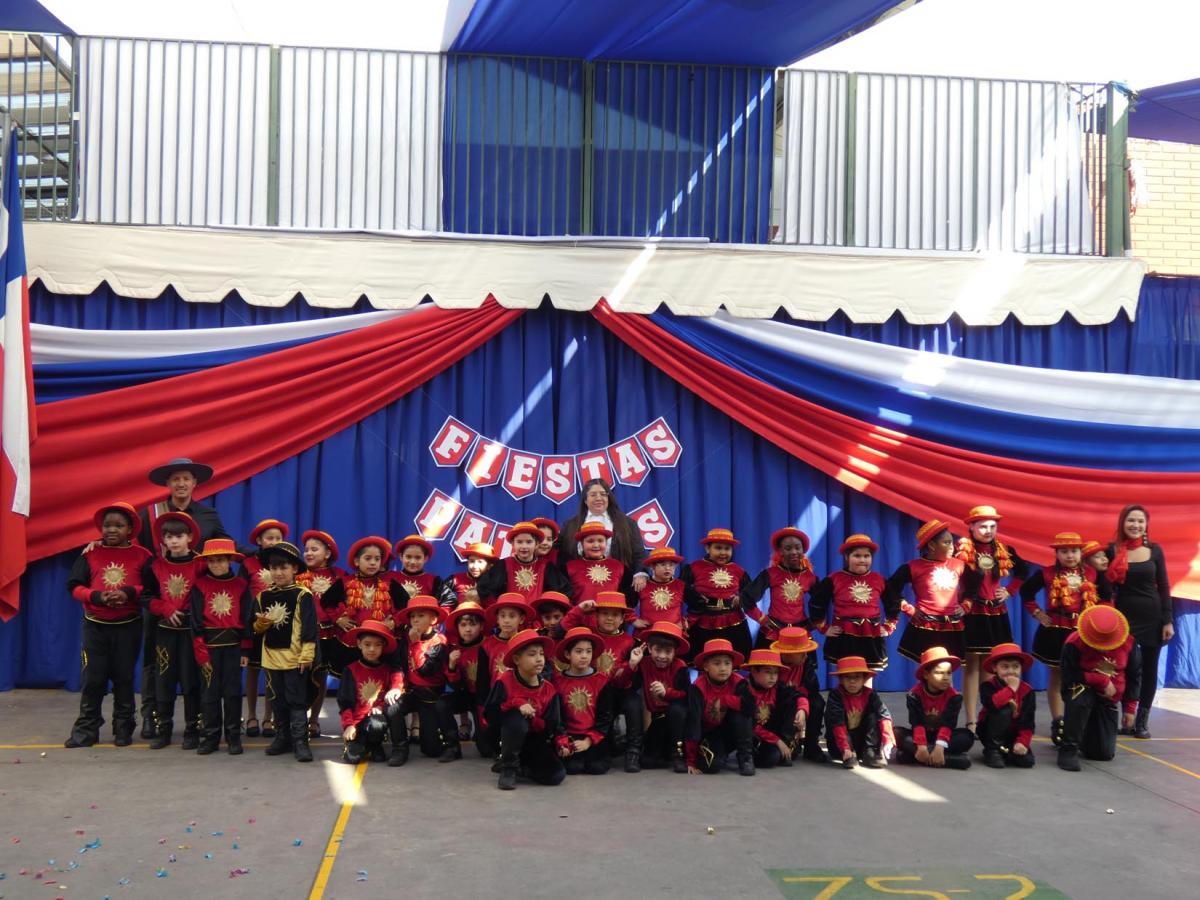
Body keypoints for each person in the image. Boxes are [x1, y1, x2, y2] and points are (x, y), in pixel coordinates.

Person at [137, 458, 230, 739]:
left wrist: (259, 551)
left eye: (186, 478)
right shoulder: (149, 514)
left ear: (194, 482)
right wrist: (97, 544)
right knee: (154, 662)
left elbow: (225, 547)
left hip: (194, 606)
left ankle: (197, 720)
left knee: (194, 664)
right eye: (175, 479)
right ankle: (151, 717)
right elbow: (135, 550)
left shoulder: (208, 515)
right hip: (160, 601)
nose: (181, 483)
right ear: (167, 483)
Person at [64, 503, 153, 748]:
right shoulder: (90, 554)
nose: (112, 530)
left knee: (124, 678)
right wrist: (96, 596)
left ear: (130, 529)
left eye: (118, 525)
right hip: (95, 627)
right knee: (93, 679)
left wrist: (128, 593)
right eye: (107, 525)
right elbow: (74, 586)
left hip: (128, 627)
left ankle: (123, 728)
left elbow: (152, 588)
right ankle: (86, 730)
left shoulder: (143, 556)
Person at [1019, 532, 1107, 743]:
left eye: (1074, 551)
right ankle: (1058, 721)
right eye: (1064, 551)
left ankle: (1079, 721)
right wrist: (1037, 613)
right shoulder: (1047, 573)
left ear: (1081, 553)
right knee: (1057, 677)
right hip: (1056, 632)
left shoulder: (1092, 574)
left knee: (1083, 676)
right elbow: (1026, 592)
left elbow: (1106, 598)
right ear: (1056, 554)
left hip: (1083, 633)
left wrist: (1100, 622)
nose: (1070, 555)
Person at [956, 505, 1029, 734]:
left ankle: (986, 717)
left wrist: (1009, 591)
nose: (988, 531)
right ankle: (970, 720)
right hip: (972, 613)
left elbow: (1023, 571)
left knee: (990, 666)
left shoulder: (1004, 549)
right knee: (971, 667)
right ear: (971, 527)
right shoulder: (961, 549)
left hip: (996, 614)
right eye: (983, 526)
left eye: (992, 526)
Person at [1105, 504, 1173, 739]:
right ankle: (1126, 718)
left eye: (1140, 521)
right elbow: (1103, 583)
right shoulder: (1112, 551)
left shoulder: (1155, 550)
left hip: (1153, 617)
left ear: (1146, 525)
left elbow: (1164, 586)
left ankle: (1142, 722)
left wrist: (1168, 620)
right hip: (1122, 619)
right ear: (1122, 523)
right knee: (1124, 668)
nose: (1135, 525)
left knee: (1149, 669)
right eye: (1131, 520)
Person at [560, 591, 646, 772]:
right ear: (596, 616)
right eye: (605, 613)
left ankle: (633, 752)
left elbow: (623, 682)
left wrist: (631, 665)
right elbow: (563, 629)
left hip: (616, 690)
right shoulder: (588, 636)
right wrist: (578, 609)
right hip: (591, 690)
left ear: (622, 619)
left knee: (633, 702)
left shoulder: (629, 642)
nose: (609, 618)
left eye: (615, 614)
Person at [251, 541, 318, 763]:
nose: (278, 573)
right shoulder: (262, 596)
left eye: (283, 567)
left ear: (295, 568)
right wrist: (260, 625)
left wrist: (307, 654)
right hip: (271, 658)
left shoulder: (302, 595)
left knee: (296, 700)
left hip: (294, 659)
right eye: (274, 568)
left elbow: (309, 627)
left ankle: (301, 742)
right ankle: (283, 738)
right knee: (277, 700)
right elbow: (254, 628)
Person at [142, 511, 203, 750]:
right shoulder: (156, 566)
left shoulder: (200, 565)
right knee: (164, 680)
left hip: (190, 633)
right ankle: (164, 729)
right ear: (163, 540)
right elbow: (146, 596)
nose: (174, 541)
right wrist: (165, 609)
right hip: (165, 633)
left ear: (190, 537)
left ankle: (192, 730)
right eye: (169, 537)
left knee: (191, 681)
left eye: (179, 536)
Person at [1058, 606, 1142, 771]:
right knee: (1080, 697)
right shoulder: (1074, 642)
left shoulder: (1130, 643)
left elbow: (1134, 676)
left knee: (1103, 753)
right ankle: (1068, 748)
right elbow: (1068, 676)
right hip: (1081, 691)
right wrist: (1100, 680)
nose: (1103, 649)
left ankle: (1078, 733)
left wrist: (1130, 709)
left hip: (1108, 700)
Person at [484, 629, 568, 790]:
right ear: (517, 659)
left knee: (556, 775)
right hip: (505, 735)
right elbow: (491, 715)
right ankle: (508, 767)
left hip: (531, 739)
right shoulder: (505, 681)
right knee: (517, 719)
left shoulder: (548, 690)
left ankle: (522, 768)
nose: (539, 659)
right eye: (532, 654)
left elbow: (552, 724)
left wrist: (561, 741)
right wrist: (516, 704)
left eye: (541, 654)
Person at [190, 538, 251, 755]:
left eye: (221, 560)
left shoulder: (241, 586)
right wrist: (201, 653)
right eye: (212, 561)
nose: (216, 565)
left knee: (233, 693)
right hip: (209, 648)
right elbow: (196, 622)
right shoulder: (199, 586)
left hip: (233, 649)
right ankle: (211, 737)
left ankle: (233, 736)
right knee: (210, 694)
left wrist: (245, 650)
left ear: (230, 561)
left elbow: (247, 619)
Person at [385, 595, 459, 763]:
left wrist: (416, 644)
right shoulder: (406, 639)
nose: (415, 620)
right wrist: (396, 687)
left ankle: (442, 741)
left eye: (420, 615)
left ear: (433, 619)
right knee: (392, 708)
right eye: (412, 616)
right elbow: (398, 665)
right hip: (411, 692)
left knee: (430, 750)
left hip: (430, 697)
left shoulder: (439, 642)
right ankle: (400, 749)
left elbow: (426, 671)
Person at [808, 534, 896, 674]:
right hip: (844, 637)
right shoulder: (834, 579)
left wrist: (888, 626)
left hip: (871, 635)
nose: (862, 560)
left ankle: (866, 689)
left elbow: (893, 604)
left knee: (867, 674)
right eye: (857, 556)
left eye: (866, 556)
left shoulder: (879, 580)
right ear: (846, 557)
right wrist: (823, 627)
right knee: (846, 673)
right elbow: (817, 603)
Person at [320, 536, 407, 676]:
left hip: (380, 641)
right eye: (368, 558)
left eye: (377, 559)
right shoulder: (345, 582)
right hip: (352, 642)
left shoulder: (390, 582)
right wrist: (338, 619)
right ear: (356, 561)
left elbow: (406, 606)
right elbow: (326, 602)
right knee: (351, 678)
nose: (373, 563)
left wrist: (394, 621)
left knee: (382, 677)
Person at [888, 519, 967, 663]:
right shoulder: (913, 567)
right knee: (927, 665)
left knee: (947, 665)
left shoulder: (959, 565)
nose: (952, 547)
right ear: (931, 545)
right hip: (925, 625)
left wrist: (966, 605)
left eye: (952, 542)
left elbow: (974, 586)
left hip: (952, 626)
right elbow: (890, 588)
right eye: (946, 543)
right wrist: (907, 608)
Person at [240, 519, 290, 740]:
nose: (274, 541)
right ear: (259, 540)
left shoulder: (286, 563)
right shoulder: (248, 564)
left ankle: (269, 717)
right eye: (270, 538)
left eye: (278, 538)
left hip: (278, 627)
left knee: (272, 673)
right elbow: (241, 595)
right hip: (254, 626)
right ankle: (251, 715)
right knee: (253, 670)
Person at [684, 638, 756, 776]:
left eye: (727, 663)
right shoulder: (697, 687)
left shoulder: (739, 682)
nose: (723, 668)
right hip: (709, 732)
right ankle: (721, 752)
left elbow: (750, 707)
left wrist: (724, 700)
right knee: (712, 766)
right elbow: (693, 722)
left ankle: (746, 758)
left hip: (733, 730)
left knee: (742, 714)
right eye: (717, 663)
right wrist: (691, 761)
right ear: (706, 666)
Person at [298, 529, 345, 738]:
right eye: (306, 549)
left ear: (327, 554)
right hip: (303, 637)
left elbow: (345, 601)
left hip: (329, 635)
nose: (308, 553)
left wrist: (339, 617)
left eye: (314, 549)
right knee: (301, 678)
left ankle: (314, 720)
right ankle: (298, 719)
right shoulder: (297, 575)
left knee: (320, 676)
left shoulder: (339, 576)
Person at [894, 647, 973, 770]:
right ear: (926, 674)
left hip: (943, 738)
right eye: (939, 673)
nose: (946, 677)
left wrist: (939, 747)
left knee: (967, 736)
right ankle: (950, 759)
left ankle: (917, 757)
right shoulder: (914, 695)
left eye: (949, 673)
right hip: (921, 736)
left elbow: (948, 724)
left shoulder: (954, 697)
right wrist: (921, 746)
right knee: (896, 733)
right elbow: (916, 722)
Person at [557, 479, 648, 582]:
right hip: (578, 586)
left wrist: (640, 574)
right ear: (585, 500)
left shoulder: (627, 523)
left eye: (603, 494)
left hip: (619, 584)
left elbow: (639, 554)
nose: (598, 498)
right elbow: (561, 556)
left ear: (609, 498)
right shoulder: (570, 525)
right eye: (593, 495)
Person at [683, 528, 753, 662]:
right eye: (718, 548)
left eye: (727, 549)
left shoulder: (738, 570)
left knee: (734, 659)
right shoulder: (694, 567)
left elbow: (751, 592)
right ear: (707, 548)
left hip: (734, 622)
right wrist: (695, 598)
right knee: (703, 660)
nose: (723, 553)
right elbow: (681, 589)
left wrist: (742, 598)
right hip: (703, 621)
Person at [741, 528, 818, 648]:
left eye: (797, 548)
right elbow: (747, 597)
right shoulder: (771, 573)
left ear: (803, 550)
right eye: (788, 548)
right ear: (780, 551)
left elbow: (821, 602)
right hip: (774, 630)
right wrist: (762, 619)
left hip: (800, 631)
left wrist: (815, 621)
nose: (794, 552)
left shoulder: (810, 577)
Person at [554, 627, 616, 775]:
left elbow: (605, 716)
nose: (584, 656)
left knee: (597, 767)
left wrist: (589, 741)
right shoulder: (558, 682)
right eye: (579, 651)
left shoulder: (601, 681)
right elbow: (556, 716)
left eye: (588, 651)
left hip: (594, 736)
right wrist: (563, 740)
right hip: (569, 736)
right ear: (568, 654)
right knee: (573, 768)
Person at [633, 621, 692, 772]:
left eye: (668, 652)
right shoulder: (643, 664)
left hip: (678, 719)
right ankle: (664, 752)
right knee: (647, 761)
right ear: (649, 648)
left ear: (675, 652)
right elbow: (625, 684)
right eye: (657, 650)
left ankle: (679, 754)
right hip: (658, 718)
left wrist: (667, 693)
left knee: (677, 710)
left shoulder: (680, 666)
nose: (662, 656)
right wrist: (631, 665)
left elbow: (686, 696)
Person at [338, 620, 398, 765]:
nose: (372, 649)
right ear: (359, 644)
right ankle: (359, 743)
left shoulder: (387, 670)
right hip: (356, 723)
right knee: (353, 759)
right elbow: (345, 702)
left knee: (377, 725)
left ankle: (374, 744)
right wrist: (349, 725)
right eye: (367, 644)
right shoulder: (350, 670)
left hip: (375, 721)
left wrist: (381, 707)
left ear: (383, 646)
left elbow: (393, 691)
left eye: (377, 645)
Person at [475, 522, 572, 605]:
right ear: (513, 544)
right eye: (519, 542)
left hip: (536, 618)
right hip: (511, 617)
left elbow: (565, 590)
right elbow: (484, 588)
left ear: (536, 544)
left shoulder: (546, 566)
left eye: (529, 542)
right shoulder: (504, 565)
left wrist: (547, 609)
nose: (524, 546)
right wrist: (498, 609)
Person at [825, 655, 895, 769]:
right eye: (847, 677)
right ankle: (848, 754)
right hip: (839, 742)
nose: (852, 681)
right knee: (838, 721)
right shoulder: (835, 695)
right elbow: (837, 723)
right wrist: (845, 748)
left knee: (874, 715)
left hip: (862, 740)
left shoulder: (870, 694)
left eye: (857, 677)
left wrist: (888, 740)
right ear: (841, 679)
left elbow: (884, 715)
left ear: (864, 679)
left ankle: (870, 751)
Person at [771, 627, 828, 763]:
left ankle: (811, 745)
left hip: (801, 703)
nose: (806, 656)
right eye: (802, 653)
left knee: (817, 702)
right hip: (778, 708)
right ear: (788, 654)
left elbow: (812, 689)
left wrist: (802, 707)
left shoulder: (806, 664)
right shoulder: (772, 665)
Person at [977, 642, 1036, 769]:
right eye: (1005, 667)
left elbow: (1028, 722)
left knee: (1027, 761)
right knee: (1005, 709)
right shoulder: (987, 686)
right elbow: (992, 705)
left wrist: (1022, 742)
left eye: (1015, 667)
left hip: (1013, 733)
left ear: (1021, 668)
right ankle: (992, 750)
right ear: (995, 668)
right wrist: (1011, 689)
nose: (1011, 671)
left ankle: (1006, 751)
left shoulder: (1028, 691)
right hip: (989, 730)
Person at [744, 649, 799, 769]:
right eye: (768, 672)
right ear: (754, 671)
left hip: (770, 732)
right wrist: (776, 741)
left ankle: (787, 744)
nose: (773, 677)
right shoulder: (744, 690)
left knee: (791, 700)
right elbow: (749, 724)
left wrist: (802, 711)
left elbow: (798, 696)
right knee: (770, 758)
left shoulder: (777, 688)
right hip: (749, 735)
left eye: (776, 672)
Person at [445, 601, 487, 744]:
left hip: (484, 698)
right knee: (441, 705)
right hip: (465, 695)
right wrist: (451, 665)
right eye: (463, 625)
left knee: (485, 747)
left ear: (481, 626)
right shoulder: (454, 650)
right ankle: (452, 745)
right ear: (457, 627)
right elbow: (454, 684)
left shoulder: (488, 645)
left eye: (473, 625)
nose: (468, 629)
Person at [563, 521, 633, 604]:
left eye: (600, 541)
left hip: (611, 612)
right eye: (590, 541)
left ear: (606, 543)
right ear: (582, 544)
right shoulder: (568, 568)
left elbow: (630, 600)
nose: (596, 545)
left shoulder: (620, 567)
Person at [630, 547, 686, 635]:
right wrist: (633, 620)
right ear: (652, 566)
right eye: (663, 565)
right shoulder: (643, 584)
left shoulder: (680, 585)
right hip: (647, 633)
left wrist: (686, 622)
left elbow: (698, 605)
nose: (668, 568)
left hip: (673, 634)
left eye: (671, 565)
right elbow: (627, 603)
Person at [392, 535, 454, 608]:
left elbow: (450, 601)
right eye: (408, 557)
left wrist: (435, 614)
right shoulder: (391, 578)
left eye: (418, 557)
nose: (412, 562)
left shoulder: (434, 581)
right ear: (401, 557)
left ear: (425, 558)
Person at [447, 542, 495, 607]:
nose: (475, 566)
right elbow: (441, 599)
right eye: (472, 561)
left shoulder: (495, 584)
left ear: (489, 565)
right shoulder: (456, 579)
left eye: (480, 562)